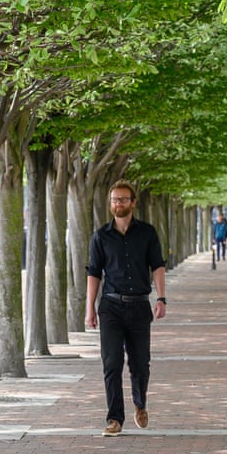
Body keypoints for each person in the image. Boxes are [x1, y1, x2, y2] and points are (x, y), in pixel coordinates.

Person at [85, 180, 167, 437]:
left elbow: (158, 266)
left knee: (141, 364)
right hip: (110, 306)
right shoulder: (101, 236)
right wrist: (90, 308)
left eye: (123, 199)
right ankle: (114, 419)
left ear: (133, 202)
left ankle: (140, 403)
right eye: (114, 200)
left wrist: (162, 298)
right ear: (110, 204)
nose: (118, 203)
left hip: (140, 306)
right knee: (111, 363)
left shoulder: (147, 233)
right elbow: (94, 273)